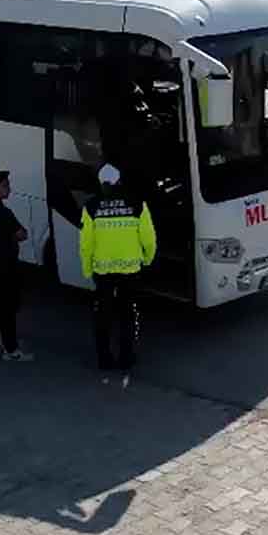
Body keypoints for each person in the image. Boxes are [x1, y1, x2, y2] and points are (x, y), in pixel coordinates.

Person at [79, 164, 156, 385]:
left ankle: (104, 358)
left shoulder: (91, 206)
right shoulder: (137, 204)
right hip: (130, 270)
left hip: (102, 272)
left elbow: (85, 244)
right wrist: (148, 259)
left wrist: (87, 269)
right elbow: (149, 237)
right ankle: (127, 357)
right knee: (127, 314)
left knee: (103, 315)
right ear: (120, 180)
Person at [0, 169, 34, 363]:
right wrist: (12, 236)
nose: (9, 188)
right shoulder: (3, 212)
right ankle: (11, 349)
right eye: (5, 185)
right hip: (6, 267)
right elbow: (22, 234)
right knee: (8, 310)